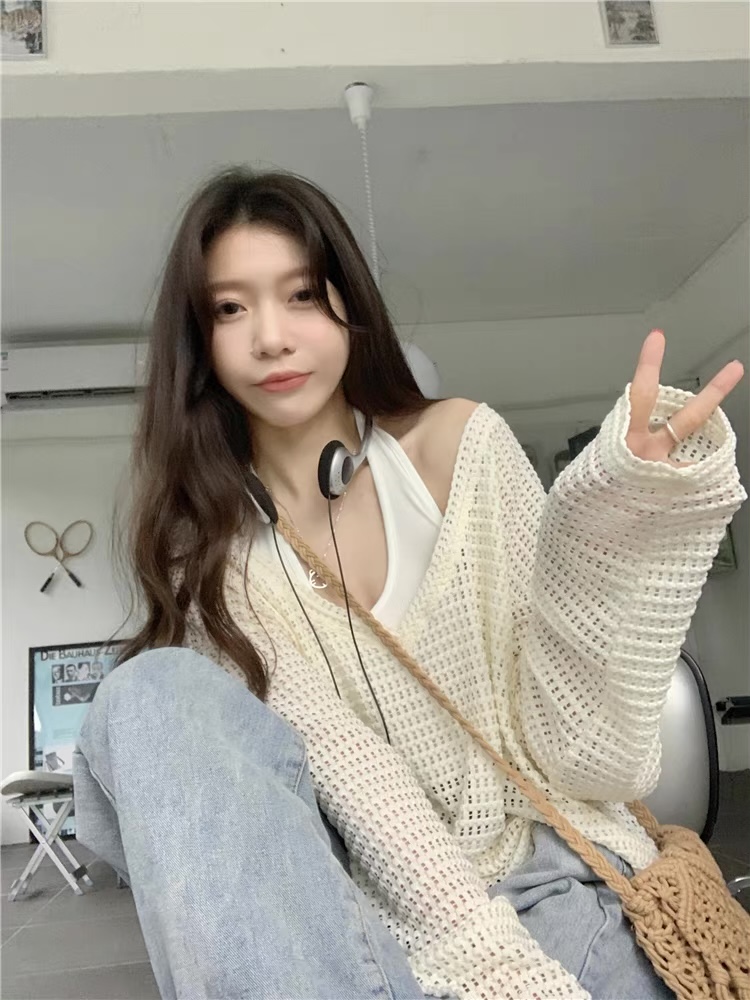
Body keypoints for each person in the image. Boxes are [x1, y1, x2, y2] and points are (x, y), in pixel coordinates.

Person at [72, 167, 746, 1000]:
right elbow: (360, 784)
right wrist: (497, 971)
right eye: (230, 309)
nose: (271, 338)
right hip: (377, 937)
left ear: (348, 304)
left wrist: (606, 532)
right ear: (198, 341)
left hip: (569, 879)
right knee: (145, 692)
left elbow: (592, 761)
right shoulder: (211, 555)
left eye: (301, 295)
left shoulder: (458, 446)